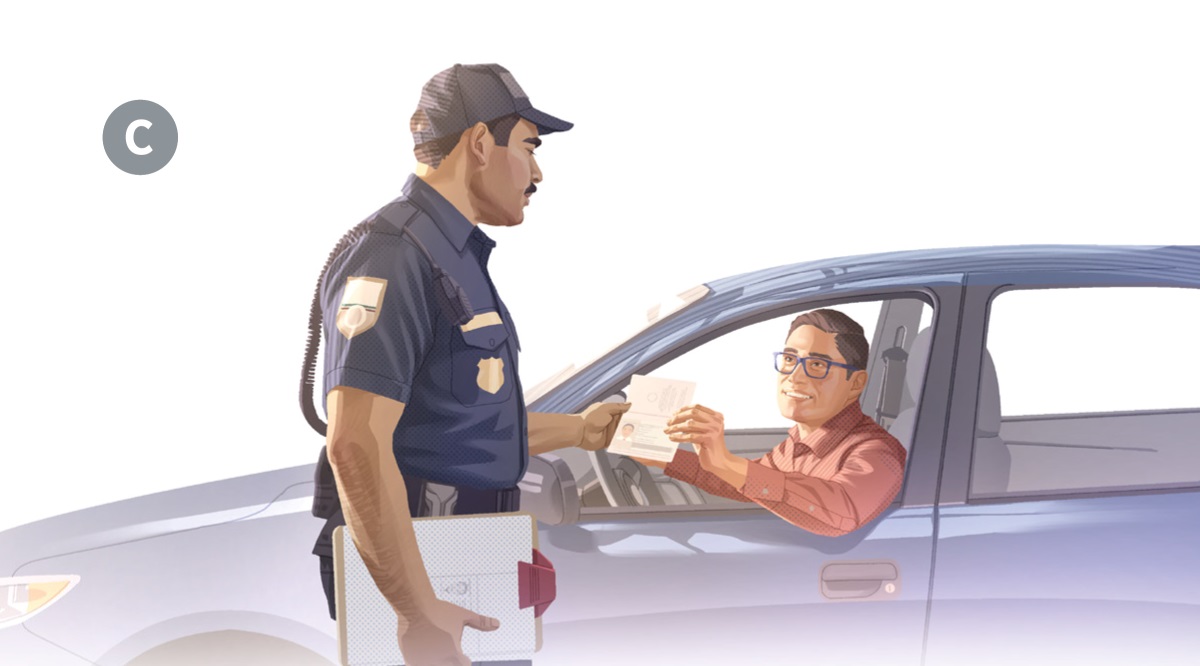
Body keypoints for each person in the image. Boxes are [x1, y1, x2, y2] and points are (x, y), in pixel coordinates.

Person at [314, 63, 630, 666]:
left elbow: (449, 418)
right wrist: (415, 609)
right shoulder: (394, 258)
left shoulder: (450, 255)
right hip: (422, 566)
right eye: (529, 147)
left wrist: (579, 430)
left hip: (457, 554)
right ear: (480, 143)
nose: (537, 173)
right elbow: (354, 443)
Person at [633, 309, 906, 536]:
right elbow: (746, 484)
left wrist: (727, 463)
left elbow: (842, 512)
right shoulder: (798, 443)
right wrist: (658, 456)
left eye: (817, 366)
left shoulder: (878, 452)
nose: (795, 377)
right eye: (789, 359)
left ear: (855, 383)